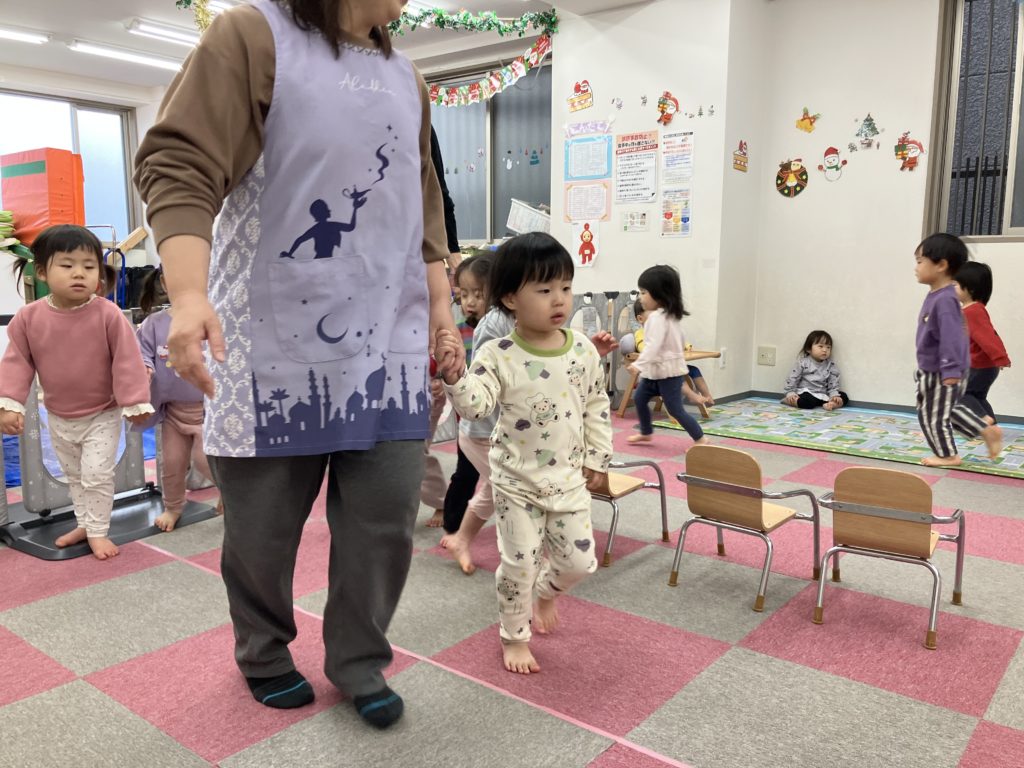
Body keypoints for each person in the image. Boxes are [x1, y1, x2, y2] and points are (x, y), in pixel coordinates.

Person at [133, 0, 463, 728]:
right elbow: (179, 163)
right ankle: (263, 652)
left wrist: (442, 307)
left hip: (389, 340)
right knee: (262, 529)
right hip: (269, 344)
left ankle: (359, 658)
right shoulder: (253, 35)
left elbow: (423, 201)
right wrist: (186, 295)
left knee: (384, 520)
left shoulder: (406, 75)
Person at [436, 232, 613, 675]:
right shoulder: (498, 353)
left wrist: (598, 457)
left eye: (566, 287)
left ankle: (547, 592)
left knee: (579, 563)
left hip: (567, 479)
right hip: (515, 481)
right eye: (545, 289)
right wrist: (456, 378)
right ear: (511, 298)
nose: (560, 299)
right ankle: (514, 636)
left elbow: (596, 404)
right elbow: (477, 406)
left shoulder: (582, 350)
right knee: (519, 565)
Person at [0, 225, 153, 560]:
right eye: (67, 265)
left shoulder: (108, 314)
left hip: (102, 412)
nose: (79, 274)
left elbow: (127, 359)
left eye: (89, 266)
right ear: (42, 271)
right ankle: (86, 523)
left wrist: (135, 400)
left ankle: (97, 531)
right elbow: (17, 362)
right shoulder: (29, 318)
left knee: (96, 474)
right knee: (75, 476)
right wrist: (9, 404)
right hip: (58, 415)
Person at [438, 252, 511, 574]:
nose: (469, 301)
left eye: (477, 294)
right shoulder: (492, 324)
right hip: (480, 429)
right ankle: (455, 529)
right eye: (464, 294)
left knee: (497, 486)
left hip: (494, 428)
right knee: (499, 485)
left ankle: (459, 536)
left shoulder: (496, 321)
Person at [136, 269, 223, 532]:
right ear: (164, 283)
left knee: (205, 460)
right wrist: (145, 367)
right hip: (173, 412)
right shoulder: (154, 323)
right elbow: (141, 351)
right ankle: (173, 506)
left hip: (208, 410)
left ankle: (230, 494)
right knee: (171, 464)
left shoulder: (213, 319)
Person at [913, 234, 1001, 466]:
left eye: (920, 261)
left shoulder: (945, 300)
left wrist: (950, 369)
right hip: (932, 368)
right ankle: (985, 429)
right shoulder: (937, 295)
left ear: (941, 265)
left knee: (932, 415)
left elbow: (952, 337)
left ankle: (948, 455)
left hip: (941, 370)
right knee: (944, 410)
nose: (916, 267)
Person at [626, 265, 708, 445]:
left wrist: (638, 365)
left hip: (668, 374)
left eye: (644, 292)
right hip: (654, 373)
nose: (640, 297)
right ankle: (646, 432)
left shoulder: (658, 319)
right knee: (639, 398)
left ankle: (701, 439)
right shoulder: (668, 316)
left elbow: (652, 346)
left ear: (660, 294)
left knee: (675, 409)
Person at [622, 297, 712, 407]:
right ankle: (691, 396)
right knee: (676, 373)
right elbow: (643, 348)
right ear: (640, 319)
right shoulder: (641, 333)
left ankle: (707, 397)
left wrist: (687, 346)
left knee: (694, 370)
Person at [954, 261, 1011, 424]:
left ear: (970, 289)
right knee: (977, 396)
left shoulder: (973, 311)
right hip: (983, 366)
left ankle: (984, 420)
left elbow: (988, 336)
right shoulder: (969, 310)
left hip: (979, 366)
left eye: (955, 285)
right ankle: (992, 425)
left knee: (961, 393)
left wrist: (1000, 357)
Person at [781, 330, 849, 410]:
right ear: (808, 349)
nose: (825, 350)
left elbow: (833, 382)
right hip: (807, 393)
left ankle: (831, 404)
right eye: (820, 346)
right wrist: (790, 392)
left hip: (823, 394)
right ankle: (789, 401)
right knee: (807, 402)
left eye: (828, 347)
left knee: (844, 396)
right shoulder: (803, 363)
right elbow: (793, 378)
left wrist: (834, 395)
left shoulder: (830, 365)